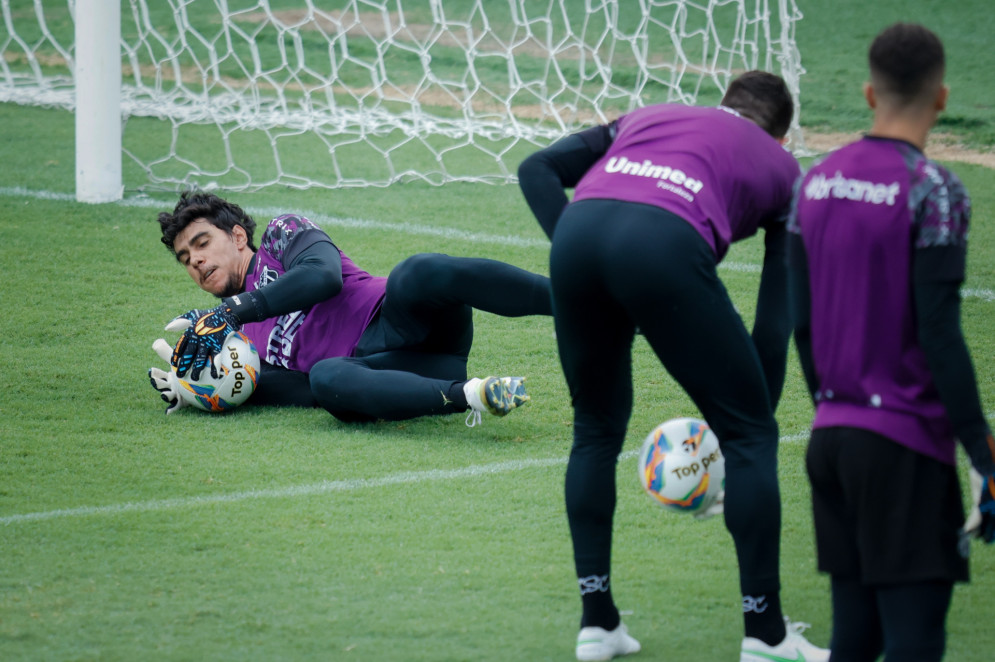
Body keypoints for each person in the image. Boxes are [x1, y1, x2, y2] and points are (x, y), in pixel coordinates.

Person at [518, 71, 829, 661]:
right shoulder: (787, 171)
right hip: (663, 242)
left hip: (578, 238)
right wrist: (748, 425)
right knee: (752, 434)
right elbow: (772, 322)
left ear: (724, 106)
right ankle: (765, 635)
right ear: (781, 137)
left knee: (594, 432)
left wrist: (582, 269)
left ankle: (597, 624)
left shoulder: (649, 116)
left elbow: (535, 169)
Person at [788, 22, 995, 662]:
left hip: (832, 440)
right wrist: (984, 457)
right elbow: (937, 330)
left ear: (869, 93)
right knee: (914, 640)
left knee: (856, 636)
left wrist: (833, 405)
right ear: (941, 97)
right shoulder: (933, 190)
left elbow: (801, 323)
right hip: (904, 448)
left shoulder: (813, 181)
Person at [148, 191, 553, 425]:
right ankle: (474, 395)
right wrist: (202, 384)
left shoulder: (280, 235)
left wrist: (236, 309)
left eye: (201, 243)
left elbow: (324, 276)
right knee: (326, 378)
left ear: (238, 236)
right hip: (393, 373)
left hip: (399, 316)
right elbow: (308, 391)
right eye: (185, 258)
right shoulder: (233, 343)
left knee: (417, 270)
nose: (195, 260)